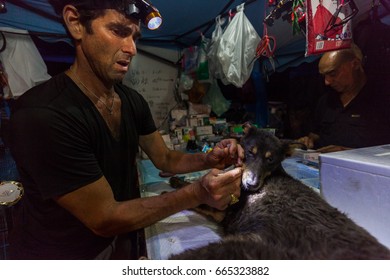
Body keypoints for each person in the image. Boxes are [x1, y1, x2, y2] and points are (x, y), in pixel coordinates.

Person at [8, 0, 244, 260]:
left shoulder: (131, 101)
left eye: (134, 37)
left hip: (119, 240)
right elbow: (103, 217)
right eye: (118, 31)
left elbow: (165, 158)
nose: (131, 48)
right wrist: (198, 193)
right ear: (75, 23)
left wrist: (207, 158)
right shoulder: (43, 114)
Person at [298, 43, 390, 153]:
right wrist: (308, 140)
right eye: (324, 76)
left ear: (355, 64)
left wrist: (345, 152)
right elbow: (316, 134)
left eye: (332, 73)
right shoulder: (326, 101)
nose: (327, 82)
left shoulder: (382, 99)